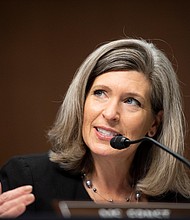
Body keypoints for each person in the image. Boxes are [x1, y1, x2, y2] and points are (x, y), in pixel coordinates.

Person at [0, 38, 190, 218]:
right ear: (82, 101)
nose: (110, 113)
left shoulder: (179, 202)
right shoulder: (27, 181)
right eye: (100, 93)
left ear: (154, 124)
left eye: (131, 101)